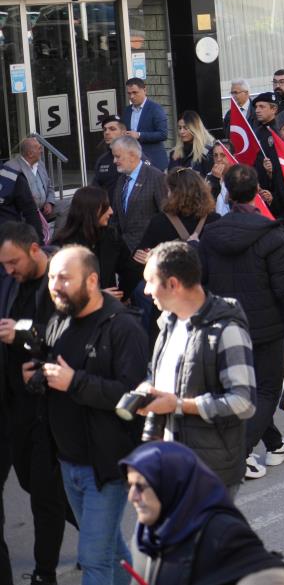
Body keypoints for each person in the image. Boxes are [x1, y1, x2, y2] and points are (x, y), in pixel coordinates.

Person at [198, 164, 284, 480]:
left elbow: (203, 281)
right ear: (256, 192)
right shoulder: (271, 233)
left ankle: (276, 444)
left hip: (225, 324)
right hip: (265, 327)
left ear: (225, 191)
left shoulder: (210, 233)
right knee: (265, 391)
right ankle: (241, 454)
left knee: (247, 391)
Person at [36, 245, 148, 585]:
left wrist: (75, 382)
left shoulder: (124, 328)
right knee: (109, 548)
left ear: (92, 279)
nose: (55, 285)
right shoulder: (60, 320)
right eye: (52, 276)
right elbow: (53, 374)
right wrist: (37, 377)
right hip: (68, 461)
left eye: (65, 278)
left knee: (93, 559)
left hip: (106, 465)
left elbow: (132, 397)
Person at [134, 241, 256, 496]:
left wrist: (178, 405)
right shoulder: (168, 322)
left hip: (209, 473)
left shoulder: (226, 330)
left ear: (173, 284)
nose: (146, 291)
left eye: (150, 281)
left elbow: (243, 402)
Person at [121, 442, 284, 585]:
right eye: (129, 486)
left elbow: (275, 576)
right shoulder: (145, 537)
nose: (132, 497)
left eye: (141, 486)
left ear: (171, 485)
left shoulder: (221, 532)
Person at [0, 223, 68, 585]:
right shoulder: (13, 280)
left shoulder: (59, 279)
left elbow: (64, 331)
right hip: (15, 403)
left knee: (42, 491)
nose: (8, 270)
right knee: (33, 483)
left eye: (13, 262)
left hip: (47, 405)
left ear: (33, 250)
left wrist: (22, 334)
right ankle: (94, 527)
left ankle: (45, 572)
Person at [108, 135, 167, 297]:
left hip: (145, 255)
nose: (114, 161)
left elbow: (166, 217)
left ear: (132, 155)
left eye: (117, 156)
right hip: (124, 252)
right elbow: (116, 214)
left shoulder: (156, 177)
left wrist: (155, 251)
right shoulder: (121, 179)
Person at [135, 167, 220, 263]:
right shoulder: (215, 220)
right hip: (203, 276)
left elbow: (139, 257)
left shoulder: (160, 222)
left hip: (171, 276)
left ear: (173, 193)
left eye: (168, 190)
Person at [51, 186, 123, 293]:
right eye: (105, 207)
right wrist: (99, 295)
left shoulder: (111, 235)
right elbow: (61, 287)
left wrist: (122, 294)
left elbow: (129, 267)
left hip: (109, 308)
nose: (111, 211)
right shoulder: (63, 246)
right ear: (91, 210)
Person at [124, 77, 169, 170]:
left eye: (135, 92)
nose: (131, 96)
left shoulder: (155, 109)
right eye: (129, 93)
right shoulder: (127, 111)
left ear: (144, 90)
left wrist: (139, 135)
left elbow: (163, 134)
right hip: (134, 162)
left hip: (153, 161)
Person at [7, 135, 54, 219]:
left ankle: (56, 232)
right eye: (39, 148)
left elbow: (49, 187)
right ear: (30, 153)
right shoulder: (11, 167)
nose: (42, 151)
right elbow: (6, 196)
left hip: (44, 210)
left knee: (66, 207)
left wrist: (49, 202)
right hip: (25, 213)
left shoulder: (40, 165)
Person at [169, 111, 215, 177]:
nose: (181, 132)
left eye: (186, 128)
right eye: (180, 128)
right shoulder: (174, 153)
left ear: (195, 129)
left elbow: (209, 180)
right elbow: (170, 178)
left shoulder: (207, 153)